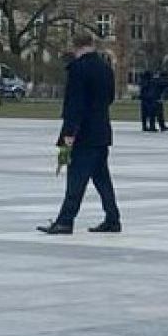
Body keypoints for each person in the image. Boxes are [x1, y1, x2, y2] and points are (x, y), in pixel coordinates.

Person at [38, 32, 121, 235]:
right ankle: (112, 218)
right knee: (102, 179)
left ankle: (65, 221)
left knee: (76, 179)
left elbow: (75, 105)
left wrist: (68, 135)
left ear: (76, 47)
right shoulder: (105, 68)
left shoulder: (78, 69)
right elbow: (109, 98)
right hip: (101, 130)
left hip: (82, 133)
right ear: (92, 44)